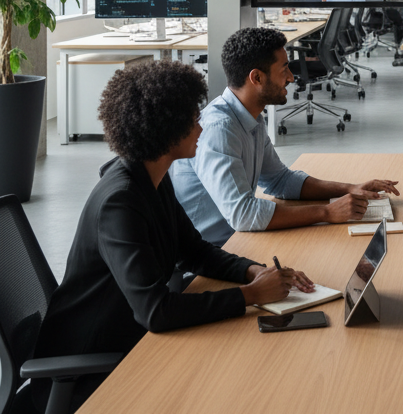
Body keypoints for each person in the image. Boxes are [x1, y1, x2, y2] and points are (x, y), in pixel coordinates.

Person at [33, 60, 312, 411]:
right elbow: (156, 311)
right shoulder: (119, 203)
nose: (200, 127)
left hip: (133, 336)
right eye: (192, 120)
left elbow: (195, 252)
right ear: (167, 129)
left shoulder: (153, 177)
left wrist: (253, 271)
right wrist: (250, 295)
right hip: (95, 362)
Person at [171, 29, 398, 246]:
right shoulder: (219, 129)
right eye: (284, 69)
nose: (291, 78)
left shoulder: (251, 117)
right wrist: (327, 212)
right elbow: (243, 215)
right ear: (257, 78)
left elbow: (280, 180)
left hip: (239, 242)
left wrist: (350, 188)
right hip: (213, 256)